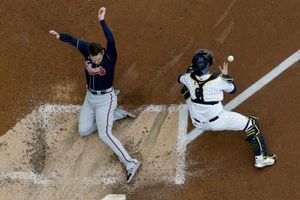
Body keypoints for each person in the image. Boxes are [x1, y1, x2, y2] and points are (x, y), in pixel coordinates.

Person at [49, 7, 140, 183]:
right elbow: (72, 40)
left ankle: (130, 163)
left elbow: (111, 39)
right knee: (83, 131)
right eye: (93, 59)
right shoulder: (88, 51)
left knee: (104, 134)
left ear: (102, 53)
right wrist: (59, 36)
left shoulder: (110, 56)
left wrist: (101, 21)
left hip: (106, 99)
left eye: (97, 58)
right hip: (90, 98)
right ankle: (116, 115)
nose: (95, 61)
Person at [178, 49, 277, 168]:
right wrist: (225, 75)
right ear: (208, 65)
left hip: (196, 121)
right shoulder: (218, 80)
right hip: (217, 122)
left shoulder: (187, 78)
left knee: (187, 90)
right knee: (251, 124)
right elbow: (233, 89)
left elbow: (180, 78)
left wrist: (192, 72)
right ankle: (261, 159)